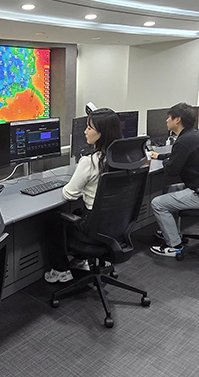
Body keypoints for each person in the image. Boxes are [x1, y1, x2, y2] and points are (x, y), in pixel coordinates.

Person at [43, 108, 123, 283]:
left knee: (52, 220)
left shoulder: (90, 161)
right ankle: (81, 261)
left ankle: (61, 270)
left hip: (93, 232)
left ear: (101, 133)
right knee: (78, 212)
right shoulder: (125, 158)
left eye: (89, 128)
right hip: (117, 226)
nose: (85, 131)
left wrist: (79, 185)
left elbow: (69, 194)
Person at [149, 103, 199, 257]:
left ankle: (174, 245)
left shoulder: (184, 141)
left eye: (169, 117)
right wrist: (160, 156)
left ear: (177, 120)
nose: (167, 120)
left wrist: (165, 161)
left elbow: (171, 170)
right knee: (171, 189)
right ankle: (172, 232)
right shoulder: (194, 136)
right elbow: (180, 155)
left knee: (158, 203)